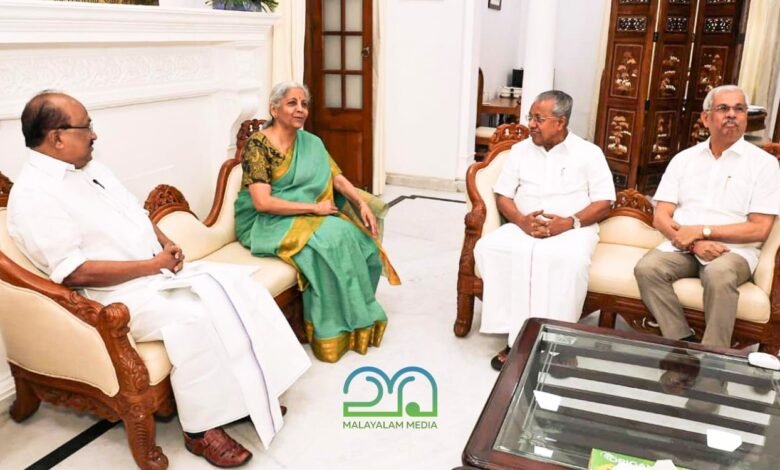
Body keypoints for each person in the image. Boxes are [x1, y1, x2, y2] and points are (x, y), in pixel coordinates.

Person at [7, 91, 311, 468]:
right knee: (196, 318)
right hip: (110, 297)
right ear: (56, 137)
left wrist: (165, 242)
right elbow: (74, 271)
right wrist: (152, 266)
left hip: (153, 273)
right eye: (86, 127)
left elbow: (135, 215)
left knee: (238, 288)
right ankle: (201, 430)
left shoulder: (93, 170)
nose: (94, 136)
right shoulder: (35, 195)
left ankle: (247, 394)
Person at [234, 81, 400, 363]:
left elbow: (335, 176)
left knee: (360, 241)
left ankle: (358, 317)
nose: (300, 109)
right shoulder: (257, 146)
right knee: (331, 241)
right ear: (274, 109)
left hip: (306, 212)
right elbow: (262, 202)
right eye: (292, 103)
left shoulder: (311, 142)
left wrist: (361, 203)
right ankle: (332, 330)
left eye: (304, 104)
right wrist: (314, 207)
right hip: (265, 221)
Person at [474, 90, 616, 371]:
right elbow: (503, 195)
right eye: (531, 117)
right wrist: (522, 220)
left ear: (560, 122)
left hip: (573, 228)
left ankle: (560, 344)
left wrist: (568, 222)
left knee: (567, 260)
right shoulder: (519, 150)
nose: (531, 124)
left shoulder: (589, 153)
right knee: (489, 248)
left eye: (539, 118)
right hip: (524, 225)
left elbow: (604, 201)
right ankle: (515, 336)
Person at [634, 84, 780, 349]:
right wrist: (693, 242)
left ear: (746, 117)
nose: (732, 115)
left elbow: (759, 229)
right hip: (684, 245)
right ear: (706, 118)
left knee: (718, 275)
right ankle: (683, 347)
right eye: (723, 108)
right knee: (648, 268)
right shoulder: (684, 159)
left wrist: (703, 231)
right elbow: (661, 215)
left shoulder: (764, 165)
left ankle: (714, 360)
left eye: (739, 109)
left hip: (733, 251)